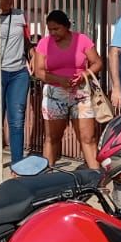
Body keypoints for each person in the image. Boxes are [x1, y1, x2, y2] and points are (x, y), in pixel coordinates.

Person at [31, 9, 102, 171]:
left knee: (88, 138)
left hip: (81, 93)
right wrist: (59, 80)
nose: (53, 33)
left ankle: (97, 178)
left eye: (57, 29)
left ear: (67, 26)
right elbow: (39, 71)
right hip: (54, 94)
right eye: (50, 29)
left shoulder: (82, 40)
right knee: (52, 138)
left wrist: (84, 75)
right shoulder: (44, 44)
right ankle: (46, 176)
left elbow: (97, 62)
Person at [0, 0, 31, 167]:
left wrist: (32, 55)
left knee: (17, 120)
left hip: (19, 73)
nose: (11, 0)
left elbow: (26, 41)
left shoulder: (19, 15)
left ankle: (17, 164)